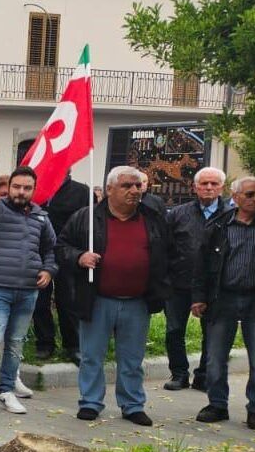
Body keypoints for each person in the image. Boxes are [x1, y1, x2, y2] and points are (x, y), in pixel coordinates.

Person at [56, 166, 171, 425]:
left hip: (137, 301)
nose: (134, 190)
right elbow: (61, 247)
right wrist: (79, 257)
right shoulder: (85, 218)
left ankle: (132, 405)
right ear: (109, 189)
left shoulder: (153, 218)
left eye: (137, 186)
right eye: (126, 186)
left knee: (132, 359)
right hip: (97, 299)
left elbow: (168, 253)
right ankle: (90, 402)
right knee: (91, 356)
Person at [193, 176, 255, 431]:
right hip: (222, 299)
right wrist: (198, 297)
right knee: (215, 358)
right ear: (235, 197)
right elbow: (202, 264)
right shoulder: (219, 225)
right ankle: (217, 404)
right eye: (250, 194)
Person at [0, 165, 57, 417]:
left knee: (15, 344)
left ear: (34, 190)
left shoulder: (41, 216)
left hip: (28, 290)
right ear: (9, 188)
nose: (21, 192)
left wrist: (48, 270)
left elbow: (51, 248)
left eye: (27, 188)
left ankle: (6, 391)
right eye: (16, 186)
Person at [164, 167, 228, 390]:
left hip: (214, 287)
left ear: (221, 187)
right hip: (178, 283)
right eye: (204, 183)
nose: (209, 188)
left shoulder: (230, 214)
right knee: (174, 330)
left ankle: (204, 375)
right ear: (194, 187)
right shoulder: (178, 214)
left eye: (214, 184)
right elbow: (165, 247)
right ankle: (179, 374)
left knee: (210, 333)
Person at [34, 172, 91, 362]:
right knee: (40, 300)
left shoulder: (81, 191)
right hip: (40, 253)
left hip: (68, 253)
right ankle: (45, 342)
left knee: (68, 300)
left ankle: (73, 345)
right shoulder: (37, 189)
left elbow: (88, 221)